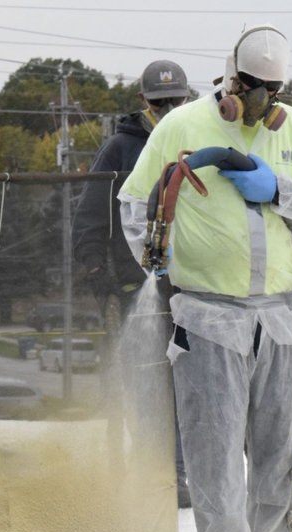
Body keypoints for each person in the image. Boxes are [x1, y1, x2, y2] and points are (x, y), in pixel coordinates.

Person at [119, 26, 292, 532]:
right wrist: (159, 262)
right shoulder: (182, 127)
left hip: (283, 316)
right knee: (213, 452)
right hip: (207, 314)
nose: (259, 102)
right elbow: (133, 203)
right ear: (231, 78)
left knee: (278, 450)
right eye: (251, 88)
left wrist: (280, 189)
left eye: (271, 91)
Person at [72, 59, 193, 508]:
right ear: (144, 100)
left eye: (175, 101)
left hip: (193, 291)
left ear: (187, 98)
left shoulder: (198, 139)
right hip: (136, 289)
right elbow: (90, 216)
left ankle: (184, 473)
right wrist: (96, 269)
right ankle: (153, 474)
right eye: (159, 102)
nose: (167, 108)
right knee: (145, 388)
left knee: (192, 385)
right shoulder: (121, 149)